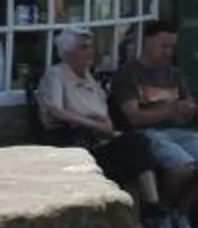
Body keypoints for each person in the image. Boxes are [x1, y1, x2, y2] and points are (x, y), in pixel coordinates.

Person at [110, 19, 198, 228]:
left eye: (171, 47)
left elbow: (189, 103)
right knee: (181, 166)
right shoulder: (128, 74)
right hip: (149, 132)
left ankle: (180, 210)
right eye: (163, 46)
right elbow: (134, 117)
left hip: (182, 132)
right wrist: (168, 111)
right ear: (147, 43)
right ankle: (159, 214)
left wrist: (189, 108)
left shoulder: (174, 74)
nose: (167, 52)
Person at [33, 29, 160, 217]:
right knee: (135, 149)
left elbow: (104, 113)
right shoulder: (56, 75)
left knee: (138, 144)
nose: (90, 52)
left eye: (91, 47)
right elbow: (56, 111)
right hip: (73, 143)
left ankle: (150, 207)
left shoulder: (89, 78)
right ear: (68, 53)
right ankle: (151, 208)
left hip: (98, 139)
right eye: (84, 48)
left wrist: (105, 126)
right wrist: (90, 123)